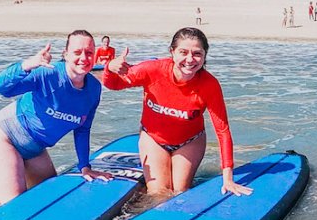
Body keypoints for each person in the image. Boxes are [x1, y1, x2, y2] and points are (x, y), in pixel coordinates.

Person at [102, 27, 252, 198]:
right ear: (172, 52)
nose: (190, 59)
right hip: (154, 139)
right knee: (159, 194)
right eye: (183, 52)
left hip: (190, 142)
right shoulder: (151, 70)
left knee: (180, 193)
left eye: (197, 53)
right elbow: (113, 84)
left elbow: (222, 131)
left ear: (204, 56)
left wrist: (228, 178)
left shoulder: (209, 85)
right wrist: (109, 67)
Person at [0, 31, 113, 204]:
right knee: (15, 206)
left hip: (36, 149)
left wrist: (85, 167)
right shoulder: (48, 74)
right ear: (65, 55)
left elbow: (83, 129)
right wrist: (27, 65)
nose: (84, 57)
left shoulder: (94, 88)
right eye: (77, 52)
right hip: (5, 137)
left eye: (89, 52)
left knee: (49, 199)